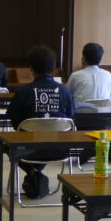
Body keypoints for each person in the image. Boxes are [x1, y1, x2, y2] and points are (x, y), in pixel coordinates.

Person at [7, 45, 75, 198]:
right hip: (60, 149)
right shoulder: (65, 91)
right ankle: (36, 173)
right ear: (52, 68)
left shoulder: (23, 92)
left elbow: (15, 122)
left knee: (6, 144)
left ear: (31, 69)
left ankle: (33, 172)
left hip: (29, 150)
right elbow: (71, 118)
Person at [67, 43, 111, 163]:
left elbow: (67, 96)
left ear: (83, 58)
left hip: (82, 121)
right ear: (101, 58)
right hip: (105, 121)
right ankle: (95, 148)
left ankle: (87, 149)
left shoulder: (76, 75)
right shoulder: (108, 75)